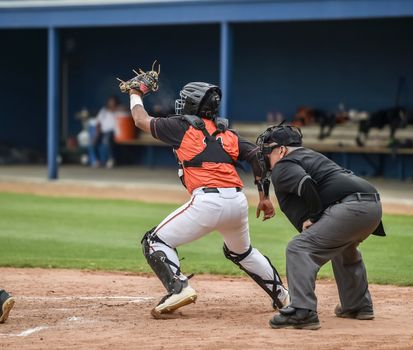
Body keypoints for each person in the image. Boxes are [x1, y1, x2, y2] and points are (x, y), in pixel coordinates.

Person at [128, 82, 289, 318]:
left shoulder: (180, 126)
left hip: (207, 201)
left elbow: (141, 120)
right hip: (237, 201)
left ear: (193, 104)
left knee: (154, 241)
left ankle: (179, 288)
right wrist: (264, 196)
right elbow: (257, 155)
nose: (181, 104)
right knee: (242, 252)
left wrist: (135, 94)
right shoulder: (227, 133)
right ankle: (284, 296)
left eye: (185, 100)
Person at [254, 124, 385, 330]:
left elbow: (305, 183)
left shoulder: (284, 164)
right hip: (373, 206)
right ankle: (357, 306)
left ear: (281, 150)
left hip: (351, 207)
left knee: (299, 248)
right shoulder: (309, 155)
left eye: (267, 151)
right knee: (344, 248)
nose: (264, 156)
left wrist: (313, 217)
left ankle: (302, 311)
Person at [94, 96, 121, 168]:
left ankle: (111, 160)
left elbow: (126, 110)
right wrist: (97, 133)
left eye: (113, 102)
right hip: (102, 132)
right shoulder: (103, 111)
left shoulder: (119, 110)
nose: (111, 103)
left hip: (113, 132)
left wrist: (117, 109)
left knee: (107, 140)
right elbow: (98, 123)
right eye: (110, 102)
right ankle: (97, 160)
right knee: (95, 142)